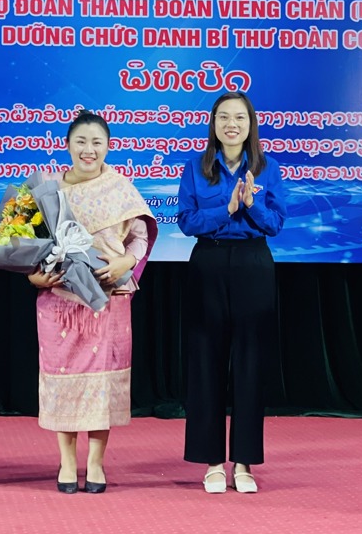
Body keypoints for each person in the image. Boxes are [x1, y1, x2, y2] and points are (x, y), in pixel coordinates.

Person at [28, 110, 157, 494]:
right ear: (67, 146)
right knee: (63, 380)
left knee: (101, 383)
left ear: (108, 147)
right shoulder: (48, 191)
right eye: (81, 142)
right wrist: (34, 276)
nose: (89, 150)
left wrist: (126, 262)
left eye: (97, 142)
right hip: (58, 303)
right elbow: (26, 245)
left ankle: (96, 464)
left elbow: (140, 236)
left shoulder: (120, 188)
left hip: (108, 300)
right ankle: (67, 463)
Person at [176, 91, 286, 494]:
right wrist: (226, 208)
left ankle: (243, 462)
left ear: (250, 124)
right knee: (206, 360)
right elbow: (187, 221)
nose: (231, 125)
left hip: (253, 264)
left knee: (250, 362)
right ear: (214, 123)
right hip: (208, 262)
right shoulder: (196, 167)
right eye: (224, 117)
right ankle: (211, 463)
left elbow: (274, 224)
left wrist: (251, 204)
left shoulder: (268, 168)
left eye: (239, 117)